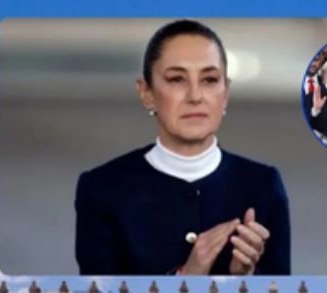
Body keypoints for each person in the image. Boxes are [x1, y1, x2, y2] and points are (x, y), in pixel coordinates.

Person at [75, 19, 290, 275]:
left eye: (209, 80)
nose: (195, 96)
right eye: (177, 79)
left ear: (226, 93)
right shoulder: (103, 189)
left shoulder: (263, 185)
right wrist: (185, 278)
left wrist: (243, 279)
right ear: (147, 93)